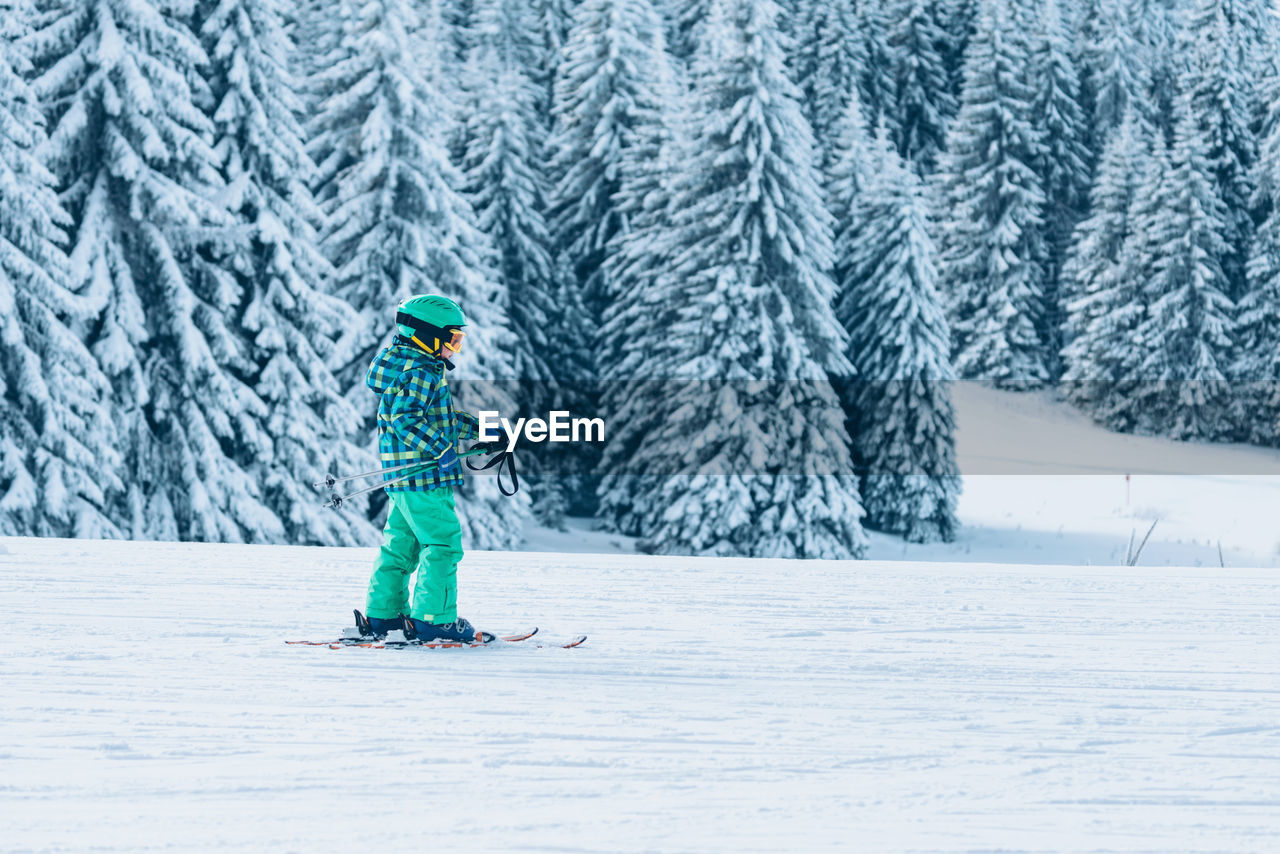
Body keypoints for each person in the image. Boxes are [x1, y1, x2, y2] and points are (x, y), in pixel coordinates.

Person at [362, 294, 485, 642]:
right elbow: (405, 418)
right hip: (425, 477)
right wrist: (442, 448)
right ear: (426, 336)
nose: (454, 348)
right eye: (451, 339)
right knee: (443, 545)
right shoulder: (421, 371)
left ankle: (384, 616)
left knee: (400, 546)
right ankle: (435, 620)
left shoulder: (405, 366)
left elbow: (438, 420)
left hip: (403, 478)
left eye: (459, 340)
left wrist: (482, 431)